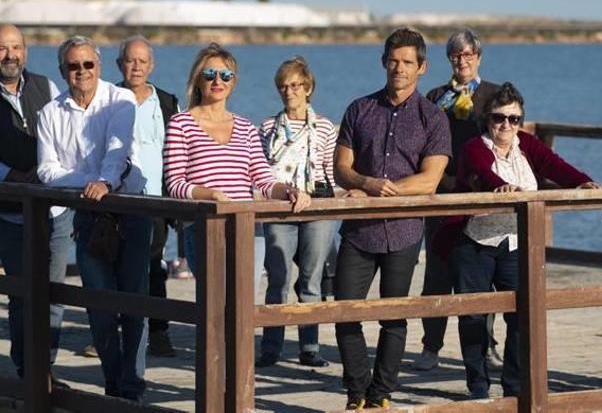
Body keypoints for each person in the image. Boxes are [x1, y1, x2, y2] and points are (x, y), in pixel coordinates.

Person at [436, 82, 600, 399]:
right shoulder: (474, 147)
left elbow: (554, 165)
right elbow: (481, 173)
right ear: (487, 119)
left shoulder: (526, 144)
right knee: (473, 317)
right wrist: (501, 187)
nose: (506, 125)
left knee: (522, 316)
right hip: (475, 243)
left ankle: (513, 385)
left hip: (513, 243)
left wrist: (583, 182)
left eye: (514, 119)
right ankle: (479, 387)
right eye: (499, 118)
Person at [333, 28, 450, 409]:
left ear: (422, 68)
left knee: (394, 316)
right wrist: (367, 182)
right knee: (345, 311)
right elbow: (341, 169)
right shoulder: (359, 109)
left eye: (407, 62)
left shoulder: (432, 117)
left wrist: (388, 189)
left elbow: (430, 179)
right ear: (384, 62)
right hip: (358, 230)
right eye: (393, 60)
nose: (399, 68)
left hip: (404, 230)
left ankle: (381, 395)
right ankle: (356, 393)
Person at [37, 35, 152, 401]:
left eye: (88, 64)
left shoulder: (120, 100)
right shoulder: (49, 113)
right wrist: (91, 183)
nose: (82, 71)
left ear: (99, 67)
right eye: (74, 65)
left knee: (136, 303)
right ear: (62, 71)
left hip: (130, 209)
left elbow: (118, 152)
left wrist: (104, 180)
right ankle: (113, 383)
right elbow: (46, 171)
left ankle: (131, 386)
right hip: (87, 217)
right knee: (100, 307)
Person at [0, 24, 72, 385]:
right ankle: (28, 370)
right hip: (9, 214)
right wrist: (15, 177)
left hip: (52, 211)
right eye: (2, 49)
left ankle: (46, 368)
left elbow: (63, 137)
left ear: (26, 51)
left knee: (53, 294)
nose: (10, 56)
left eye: (16, 48)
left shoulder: (47, 87)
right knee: (23, 292)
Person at [163, 43, 311, 289]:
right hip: (205, 226)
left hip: (247, 227)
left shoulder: (245, 127)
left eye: (225, 75)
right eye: (210, 74)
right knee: (216, 306)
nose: (217, 80)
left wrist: (289, 191)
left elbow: (263, 180)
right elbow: (175, 183)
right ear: (198, 80)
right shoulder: (181, 123)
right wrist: (211, 195)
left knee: (244, 306)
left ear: (233, 81)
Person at [414, 27, 501, 372]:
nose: (462, 60)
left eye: (468, 54)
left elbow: (510, 136)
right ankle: (430, 346)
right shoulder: (435, 96)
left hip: (482, 196)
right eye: (455, 55)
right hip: (443, 194)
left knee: (484, 275)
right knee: (437, 273)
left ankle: (487, 345)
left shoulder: (495, 95)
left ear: (478, 57)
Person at [256, 56, 338, 369]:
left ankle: (310, 348)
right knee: (277, 278)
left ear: (308, 88)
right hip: (279, 207)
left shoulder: (326, 128)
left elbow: (330, 172)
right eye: (283, 86)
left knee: (311, 280)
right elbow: (261, 172)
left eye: (295, 85)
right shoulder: (267, 127)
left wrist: (346, 195)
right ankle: (271, 348)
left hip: (317, 207)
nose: (289, 91)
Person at [115, 35, 180, 358]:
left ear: (151, 65)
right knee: (117, 267)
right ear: (119, 64)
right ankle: (113, 329)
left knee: (154, 266)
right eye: (130, 60)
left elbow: (179, 151)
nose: (136, 66)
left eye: (142, 61)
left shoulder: (167, 102)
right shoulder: (107, 100)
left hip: (156, 199)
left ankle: (158, 332)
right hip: (116, 201)